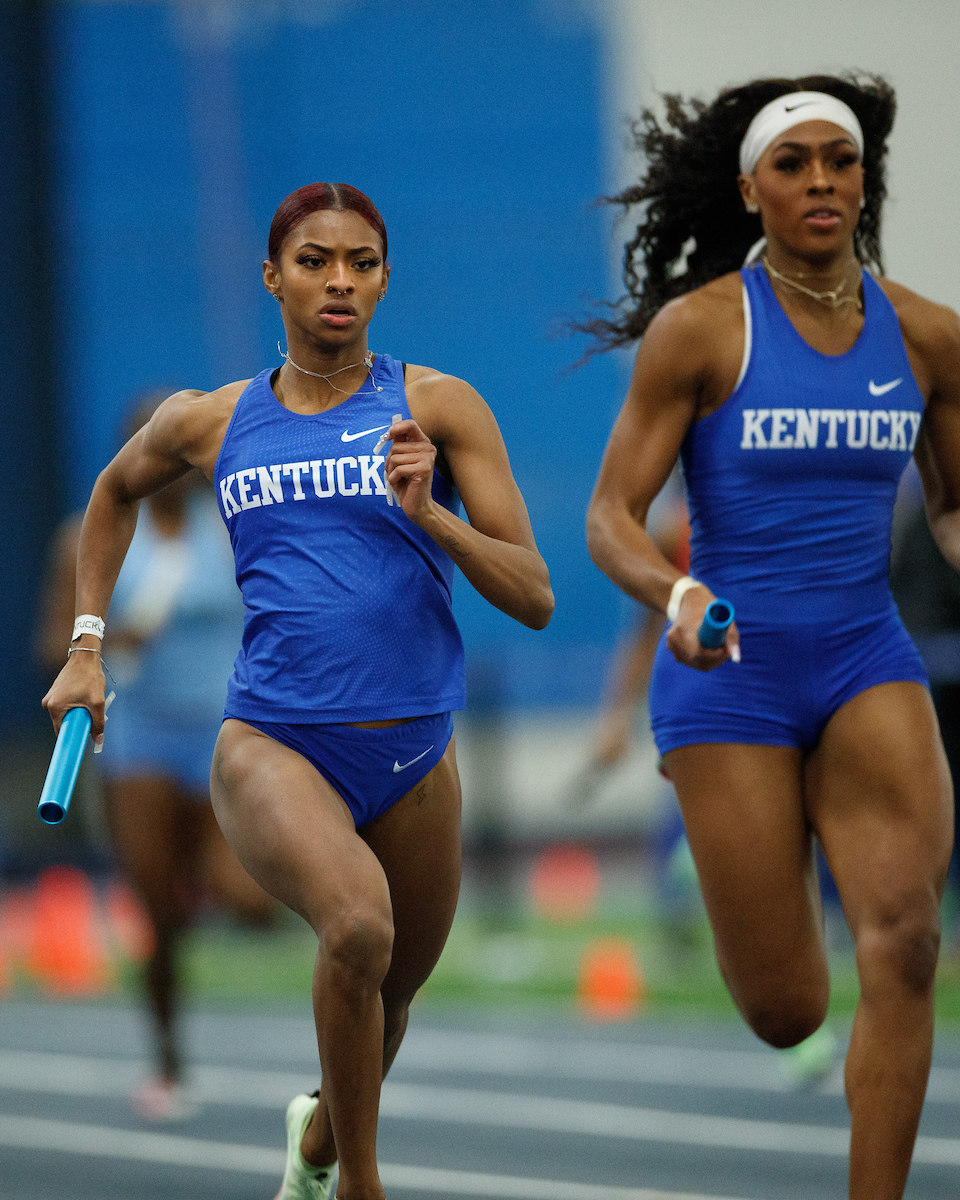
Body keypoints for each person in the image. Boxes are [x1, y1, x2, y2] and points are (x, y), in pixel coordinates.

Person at [43, 182, 553, 1200]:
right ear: (274, 276)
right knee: (358, 928)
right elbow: (109, 496)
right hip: (273, 739)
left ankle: (317, 1144)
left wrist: (432, 517)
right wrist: (87, 643)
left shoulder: (438, 408)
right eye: (316, 260)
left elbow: (534, 593)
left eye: (362, 262)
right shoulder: (211, 421)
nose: (340, 282)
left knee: (391, 998)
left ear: (384, 279)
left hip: (414, 750)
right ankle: (357, 1184)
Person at [584, 74, 959, 1200]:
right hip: (730, 673)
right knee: (787, 1007)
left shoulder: (930, 336)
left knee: (904, 943)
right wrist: (675, 596)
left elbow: (948, 503)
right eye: (794, 165)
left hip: (865, 656)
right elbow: (608, 518)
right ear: (752, 189)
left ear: (864, 180)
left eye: (839, 163)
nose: (822, 183)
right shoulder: (700, 330)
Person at [37, 395, 276, 1120]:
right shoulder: (89, 535)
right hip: (137, 739)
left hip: (222, 732)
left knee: (249, 900)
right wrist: (104, 646)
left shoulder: (233, 529)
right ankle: (169, 1059)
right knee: (157, 916)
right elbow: (51, 648)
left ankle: (202, 883)